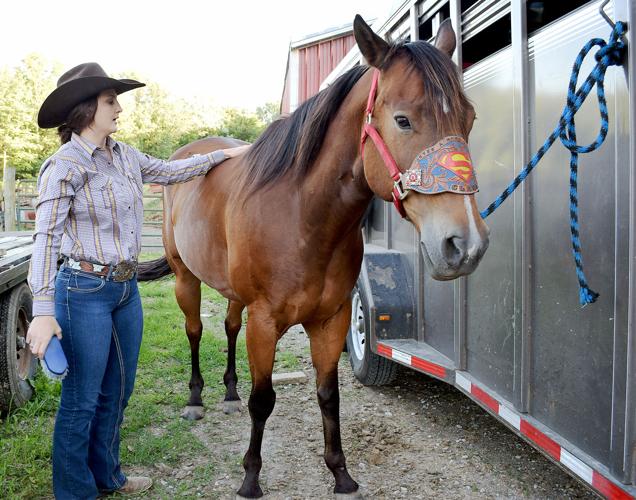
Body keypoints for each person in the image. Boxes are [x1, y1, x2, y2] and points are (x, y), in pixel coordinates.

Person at [26, 62, 249, 499]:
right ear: (85, 108)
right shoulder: (64, 166)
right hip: (82, 290)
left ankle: (108, 476)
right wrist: (42, 309)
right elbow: (46, 237)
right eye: (111, 101)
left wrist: (224, 155)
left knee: (119, 389)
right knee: (82, 398)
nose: (119, 110)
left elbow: (170, 171)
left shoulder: (125, 155)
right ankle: (76, 492)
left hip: (125, 291)